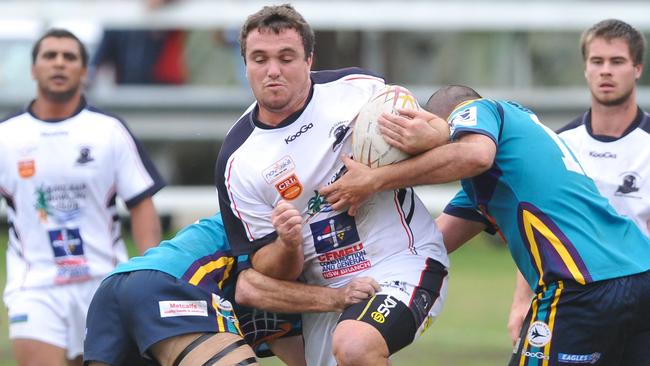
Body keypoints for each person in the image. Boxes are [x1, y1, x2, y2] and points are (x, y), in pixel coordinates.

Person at [320, 85, 650, 365]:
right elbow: (426, 246)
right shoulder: (501, 174)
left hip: (582, 283)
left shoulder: (482, 110)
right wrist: (334, 271)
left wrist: (375, 180)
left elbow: (475, 154)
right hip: (639, 273)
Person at [215, 4, 450, 366]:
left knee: (356, 345)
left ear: (309, 59)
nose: (273, 71)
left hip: (403, 260)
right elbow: (268, 269)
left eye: (286, 57)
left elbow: (439, 138)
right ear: (245, 64)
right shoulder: (238, 161)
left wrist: (380, 175)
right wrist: (287, 242)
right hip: (326, 295)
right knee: (348, 347)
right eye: (259, 59)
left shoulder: (358, 90)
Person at [0, 29, 165, 366]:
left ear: (84, 70)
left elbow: (141, 204)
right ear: (33, 69)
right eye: (49, 56)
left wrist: (150, 275)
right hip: (35, 286)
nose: (59, 63)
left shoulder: (108, 130)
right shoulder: (7, 135)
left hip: (103, 283)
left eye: (69, 56)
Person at [506, 18, 650, 348]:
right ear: (585, 68)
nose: (606, 71)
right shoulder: (559, 146)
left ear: (637, 68)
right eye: (597, 61)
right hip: (573, 300)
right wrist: (519, 303)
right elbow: (538, 229)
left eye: (617, 62)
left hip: (641, 299)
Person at [84, 212, 380, 366]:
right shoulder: (272, 223)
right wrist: (338, 298)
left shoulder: (286, 302)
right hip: (170, 284)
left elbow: (301, 354)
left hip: (115, 289)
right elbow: (250, 289)